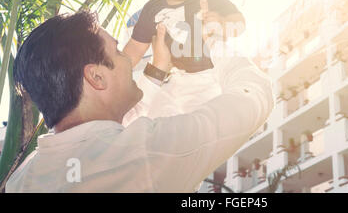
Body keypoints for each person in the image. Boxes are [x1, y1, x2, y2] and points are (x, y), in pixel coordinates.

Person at [5, 11, 273, 192]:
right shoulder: (150, 152)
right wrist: (212, 48)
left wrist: (157, 69)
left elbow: (109, 135)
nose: (127, 60)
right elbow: (252, 99)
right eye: (119, 51)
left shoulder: (22, 179)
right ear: (96, 76)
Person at [122, 0, 246, 122]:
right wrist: (119, 71)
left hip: (209, 74)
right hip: (173, 78)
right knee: (160, 121)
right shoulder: (152, 10)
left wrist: (222, 23)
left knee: (204, 121)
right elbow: (136, 47)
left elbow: (239, 24)